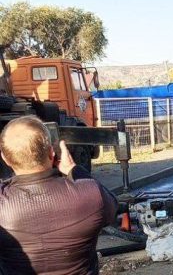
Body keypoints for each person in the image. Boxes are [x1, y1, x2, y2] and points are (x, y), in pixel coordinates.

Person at [0, 116, 118, 274]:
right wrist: (74, 170)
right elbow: (112, 208)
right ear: (51, 152)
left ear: (5, 158)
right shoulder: (91, 194)